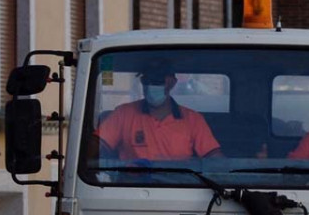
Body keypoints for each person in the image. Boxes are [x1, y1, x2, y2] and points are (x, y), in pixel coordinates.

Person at [91, 59, 223, 162]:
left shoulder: (193, 120)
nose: (150, 86)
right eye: (146, 80)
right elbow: (96, 146)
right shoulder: (123, 114)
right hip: (130, 188)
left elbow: (213, 158)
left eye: (156, 80)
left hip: (180, 189)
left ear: (171, 83)